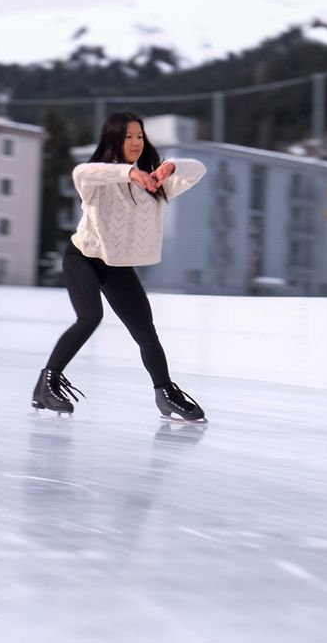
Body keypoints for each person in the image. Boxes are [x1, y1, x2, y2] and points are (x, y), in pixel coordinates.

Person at [32, 111, 207, 421]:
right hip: (82, 257)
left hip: (117, 265)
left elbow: (200, 169)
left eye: (140, 136)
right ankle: (47, 384)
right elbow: (82, 172)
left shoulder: (156, 184)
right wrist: (128, 174)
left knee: (145, 331)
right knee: (90, 316)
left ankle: (165, 394)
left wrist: (172, 165)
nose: (136, 142)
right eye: (128, 137)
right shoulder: (97, 181)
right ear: (114, 139)